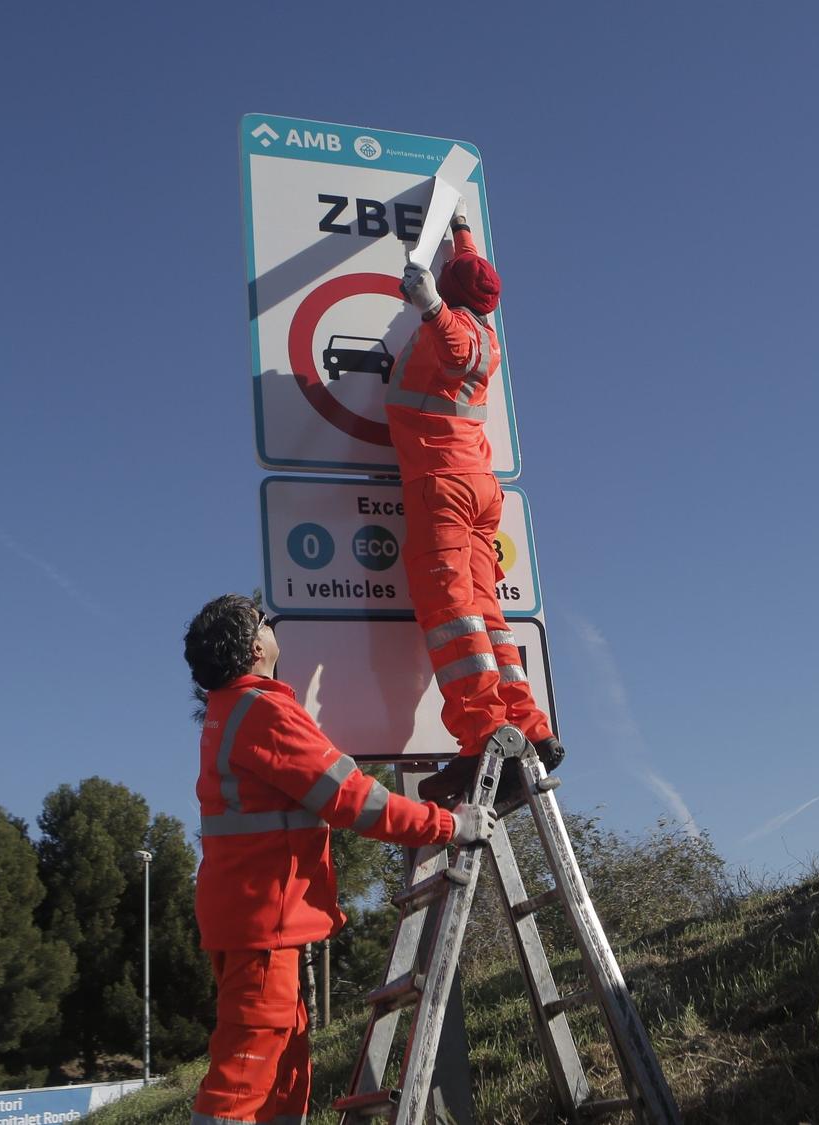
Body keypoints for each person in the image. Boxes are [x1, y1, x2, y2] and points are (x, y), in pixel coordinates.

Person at [184, 593, 496, 1125]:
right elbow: (353, 798)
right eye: (265, 620)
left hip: (247, 915)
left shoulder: (227, 710)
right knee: (245, 1072)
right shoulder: (262, 710)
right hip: (264, 921)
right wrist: (447, 824)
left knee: (283, 1068)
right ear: (256, 645)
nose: (273, 624)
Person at [387, 204, 566, 805]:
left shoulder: (464, 333)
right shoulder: (487, 320)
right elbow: (471, 272)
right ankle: (531, 731)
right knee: (486, 615)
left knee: (451, 615)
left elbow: (457, 345)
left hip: (442, 485)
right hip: (474, 485)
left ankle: (485, 740)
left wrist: (428, 302)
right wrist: (459, 224)